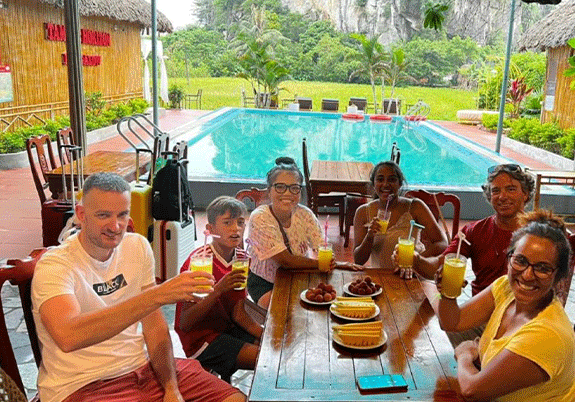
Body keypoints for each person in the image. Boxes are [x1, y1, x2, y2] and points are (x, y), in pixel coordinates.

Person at [31, 172, 243, 402]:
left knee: (234, 398)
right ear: (82, 215)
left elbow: (155, 328)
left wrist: (171, 388)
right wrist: (157, 295)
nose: (116, 226)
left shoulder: (137, 247)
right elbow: (68, 336)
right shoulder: (55, 265)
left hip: (144, 369)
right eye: (103, 215)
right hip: (85, 384)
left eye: (123, 214)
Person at [435, 210, 575, 401]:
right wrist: (447, 292)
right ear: (509, 257)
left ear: (559, 275)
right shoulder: (506, 287)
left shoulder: (547, 334)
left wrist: (464, 355)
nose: (527, 275)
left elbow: (472, 391)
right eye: (521, 261)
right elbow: (453, 322)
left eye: (542, 268)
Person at [245, 157, 361, 309]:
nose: (288, 193)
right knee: (285, 312)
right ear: (269, 190)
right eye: (280, 187)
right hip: (266, 283)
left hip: (299, 276)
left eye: (294, 188)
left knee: (322, 308)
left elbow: (322, 248)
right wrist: (321, 264)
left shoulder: (304, 214)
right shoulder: (260, 217)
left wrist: (334, 263)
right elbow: (285, 260)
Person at [175, 196, 262, 383]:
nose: (236, 229)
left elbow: (238, 313)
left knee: (273, 350)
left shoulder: (241, 259)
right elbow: (186, 323)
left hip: (226, 328)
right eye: (227, 223)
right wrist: (218, 289)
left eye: (240, 223)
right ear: (211, 229)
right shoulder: (199, 263)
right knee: (265, 361)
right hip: (201, 340)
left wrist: (265, 334)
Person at [411, 163, 535, 295]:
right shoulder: (473, 231)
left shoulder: (541, 234)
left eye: (511, 189)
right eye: (496, 191)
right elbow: (439, 265)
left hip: (526, 310)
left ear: (525, 194)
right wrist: (416, 260)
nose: (502, 197)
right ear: (489, 196)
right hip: (482, 310)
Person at [353, 161, 448, 273]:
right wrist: (369, 237)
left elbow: (442, 243)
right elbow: (358, 260)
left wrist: (416, 260)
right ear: (373, 184)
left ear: (400, 183)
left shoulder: (415, 207)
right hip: (381, 277)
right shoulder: (363, 212)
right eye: (380, 179)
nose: (385, 184)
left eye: (392, 179)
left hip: (412, 276)